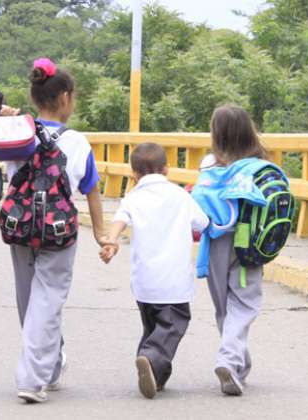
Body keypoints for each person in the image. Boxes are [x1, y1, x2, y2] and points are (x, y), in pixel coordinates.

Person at [6, 58, 107, 404]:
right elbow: (92, 189)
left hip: (19, 226)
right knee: (47, 301)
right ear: (65, 97)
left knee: (28, 299)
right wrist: (100, 233)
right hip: (59, 230)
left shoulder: (18, 131)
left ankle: (47, 368)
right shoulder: (77, 141)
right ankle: (32, 378)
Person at [99, 143, 209, 399]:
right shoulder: (180, 195)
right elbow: (203, 223)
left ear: (134, 174)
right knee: (170, 328)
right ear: (167, 169)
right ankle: (149, 358)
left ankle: (156, 377)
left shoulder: (133, 197)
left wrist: (111, 243)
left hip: (144, 283)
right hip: (173, 282)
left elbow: (119, 221)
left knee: (153, 329)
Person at [191, 105, 269, 397]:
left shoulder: (208, 164)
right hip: (248, 244)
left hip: (215, 243)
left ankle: (236, 365)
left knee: (226, 307)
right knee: (244, 303)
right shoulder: (259, 166)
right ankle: (230, 361)